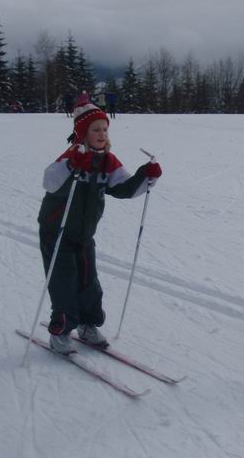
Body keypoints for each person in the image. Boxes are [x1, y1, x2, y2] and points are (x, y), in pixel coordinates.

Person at [37, 102, 163, 354]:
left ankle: (88, 324)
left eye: (105, 129)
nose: (102, 134)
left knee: (88, 281)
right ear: (83, 133)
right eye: (95, 129)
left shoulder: (107, 161)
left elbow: (125, 188)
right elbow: (50, 182)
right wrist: (72, 164)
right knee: (63, 283)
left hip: (84, 234)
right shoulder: (71, 156)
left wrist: (146, 175)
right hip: (57, 231)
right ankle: (61, 332)